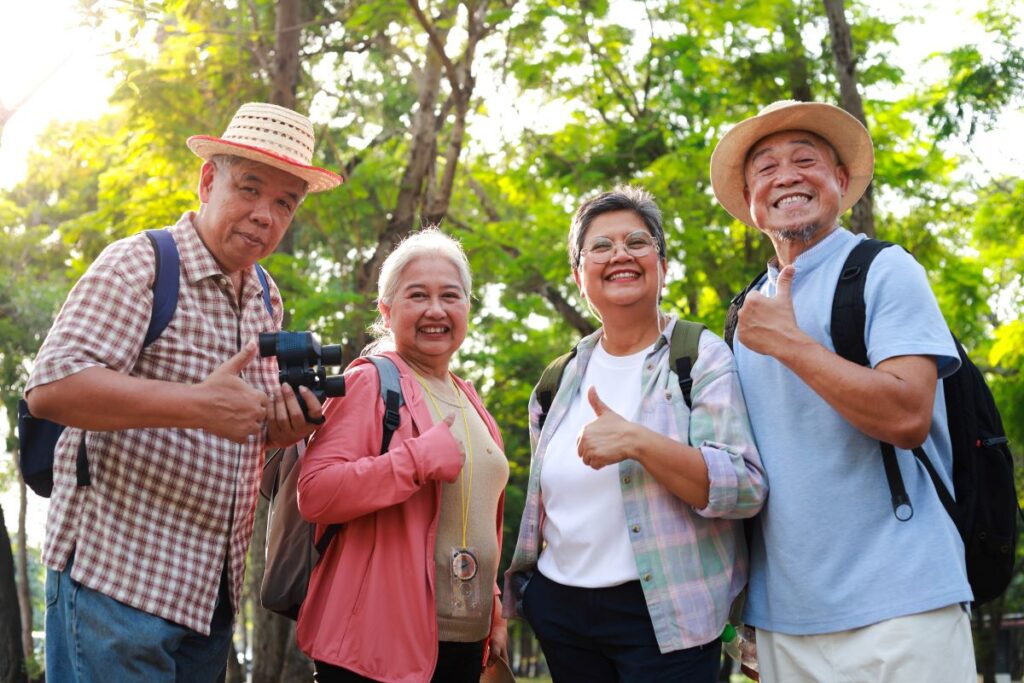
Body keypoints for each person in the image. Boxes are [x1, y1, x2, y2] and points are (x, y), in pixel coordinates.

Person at [24, 102, 342, 682]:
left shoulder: (267, 297)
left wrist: (282, 428)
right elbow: (51, 386)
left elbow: (241, 425)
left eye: (284, 203)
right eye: (249, 188)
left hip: (208, 597)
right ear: (206, 180)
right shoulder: (139, 265)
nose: (264, 215)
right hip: (114, 586)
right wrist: (194, 404)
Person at [709, 100, 976, 681]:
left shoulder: (883, 269)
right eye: (765, 169)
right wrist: (744, 611)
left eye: (806, 160)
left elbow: (908, 414)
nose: (786, 176)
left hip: (905, 606)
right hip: (785, 622)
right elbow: (745, 471)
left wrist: (793, 345)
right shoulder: (743, 311)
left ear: (841, 180)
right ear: (752, 202)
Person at [503, 186, 767, 681]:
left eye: (637, 242)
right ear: (580, 276)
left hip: (670, 618)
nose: (619, 254)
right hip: (562, 616)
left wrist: (638, 442)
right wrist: (530, 599)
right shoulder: (555, 382)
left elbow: (745, 487)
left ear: (663, 267)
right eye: (600, 246)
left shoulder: (700, 355)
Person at [295, 229, 510, 683]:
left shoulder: (471, 400)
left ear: (467, 308)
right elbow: (314, 493)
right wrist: (415, 461)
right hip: (376, 646)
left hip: (464, 645)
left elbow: (473, 514)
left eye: (450, 295)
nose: (436, 309)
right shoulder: (370, 383)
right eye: (418, 295)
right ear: (387, 310)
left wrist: (493, 607)